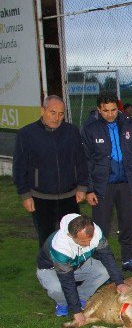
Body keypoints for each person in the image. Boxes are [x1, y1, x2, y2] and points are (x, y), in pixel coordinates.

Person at [81, 93, 132, 274]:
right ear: (98, 109)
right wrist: (89, 189)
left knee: (127, 223)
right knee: (101, 227)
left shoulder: (127, 123)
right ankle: (101, 266)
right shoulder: (89, 128)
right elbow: (85, 161)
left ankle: (127, 259)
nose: (110, 114)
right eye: (106, 111)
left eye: (113, 110)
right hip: (102, 186)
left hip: (126, 184)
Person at [12, 95, 88, 248]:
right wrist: (25, 195)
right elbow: (19, 168)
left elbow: (81, 161)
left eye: (61, 114)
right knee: (47, 240)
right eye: (52, 112)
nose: (57, 117)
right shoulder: (26, 134)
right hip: (40, 199)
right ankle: (47, 270)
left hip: (69, 197)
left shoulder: (71, 131)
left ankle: (71, 270)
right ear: (42, 111)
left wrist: (82, 187)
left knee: (73, 239)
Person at [36, 213, 128, 321]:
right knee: (57, 288)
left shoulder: (95, 232)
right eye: (83, 241)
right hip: (50, 269)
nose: (89, 244)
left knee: (104, 271)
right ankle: (62, 303)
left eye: (90, 239)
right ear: (71, 236)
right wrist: (77, 311)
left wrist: (119, 282)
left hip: (78, 264)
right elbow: (67, 280)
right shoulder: (60, 246)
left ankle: (81, 297)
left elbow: (107, 257)